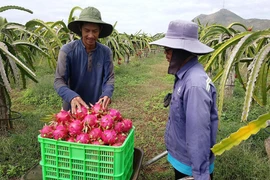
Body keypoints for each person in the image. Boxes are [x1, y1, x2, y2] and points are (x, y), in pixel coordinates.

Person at [150, 20, 219, 180]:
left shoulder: (194, 85)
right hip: (183, 157)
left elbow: (199, 134)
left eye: (168, 50)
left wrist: (200, 174)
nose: (165, 54)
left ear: (182, 51)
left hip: (191, 166)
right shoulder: (185, 75)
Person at [54, 7, 115, 115]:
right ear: (80, 29)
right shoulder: (67, 51)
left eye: (95, 31)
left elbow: (109, 78)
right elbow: (59, 81)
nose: (91, 35)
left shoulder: (106, 52)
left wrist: (107, 93)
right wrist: (71, 96)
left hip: (96, 109)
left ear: (99, 30)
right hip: (72, 110)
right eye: (87, 30)